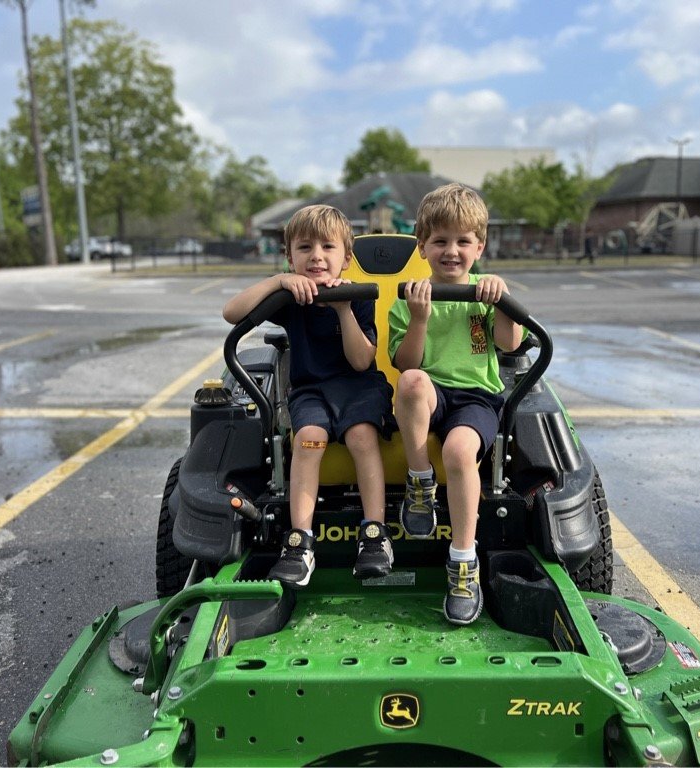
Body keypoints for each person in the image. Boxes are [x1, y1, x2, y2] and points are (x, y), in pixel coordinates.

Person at [223, 204, 395, 588]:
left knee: (361, 435)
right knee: (308, 439)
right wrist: (278, 283)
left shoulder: (358, 295)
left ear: (346, 258)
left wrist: (343, 310)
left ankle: (375, 535)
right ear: (290, 256)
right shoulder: (292, 299)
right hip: (311, 390)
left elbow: (361, 360)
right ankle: (300, 542)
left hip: (359, 386)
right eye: (304, 248)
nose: (316, 256)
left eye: (327, 247)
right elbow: (231, 313)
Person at [388, 184, 523, 625]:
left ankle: (464, 563)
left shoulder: (485, 295)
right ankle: (420, 483)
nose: (452, 251)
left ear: (479, 246)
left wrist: (502, 303)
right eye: (441, 241)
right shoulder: (410, 298)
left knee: (460, 451)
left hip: (476, 397)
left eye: (463, 241)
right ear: (422, 246)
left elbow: (509, 343)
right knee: (409, 381)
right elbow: (407, 362)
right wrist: (421, 318)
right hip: (429, 392)